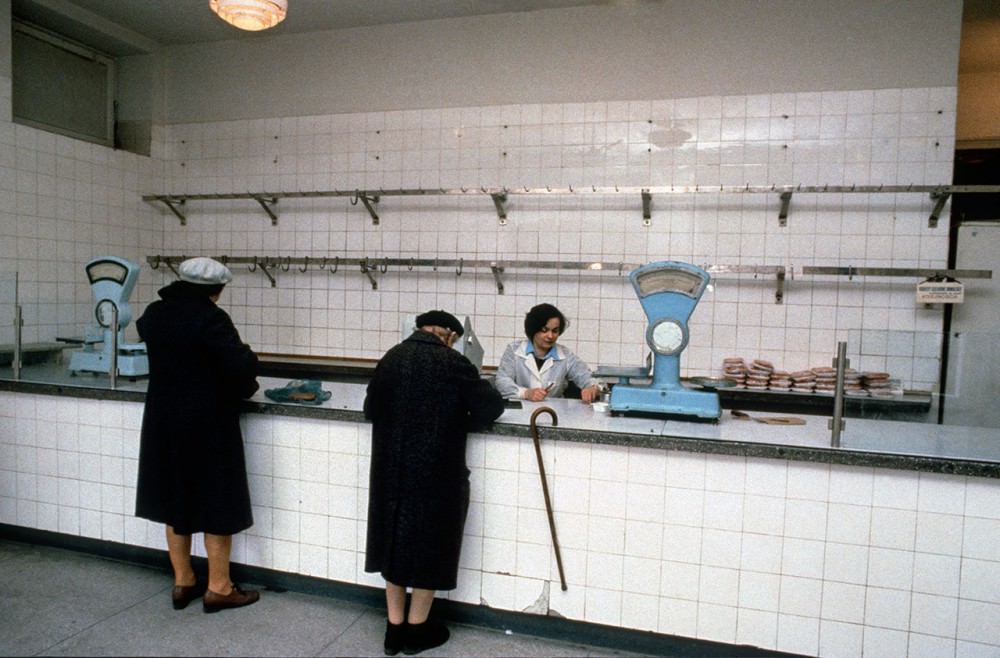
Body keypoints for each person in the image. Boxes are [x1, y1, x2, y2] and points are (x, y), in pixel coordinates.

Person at [363, 310, 505, 656]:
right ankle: (417, 630)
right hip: (436, 472)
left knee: (394, 543)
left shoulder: (391, 358)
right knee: (430, 545)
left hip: (391, 472)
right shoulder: (453, 363)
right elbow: (490, 409)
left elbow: (370, 409)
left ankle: (393, 631)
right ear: (449, 335)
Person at [135, 257, 261, 614]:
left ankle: (183, 580)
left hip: (163, 419)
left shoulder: (155, 314)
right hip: (208, 422)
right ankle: (219, 588)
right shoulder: (211, 317)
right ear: (215, 290)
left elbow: (158, 341)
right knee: (217, 501)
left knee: (176, 499)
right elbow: (242, 364)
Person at [493, 302, 602, 402]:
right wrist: (526, 393)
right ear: (533, 329)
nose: (550, 336)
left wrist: (591, 388)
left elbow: (586, 376)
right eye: (544, 330)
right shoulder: (514, 350)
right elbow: (502, 381)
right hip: (519, 411)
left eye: (555, 331)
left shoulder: (565, 355)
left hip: (553, 414)